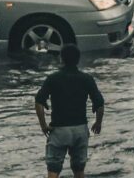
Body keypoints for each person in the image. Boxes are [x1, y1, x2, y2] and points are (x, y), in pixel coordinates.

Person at [34, 44, 104, 178]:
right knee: (79, 170)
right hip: (80, 129)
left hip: (59, 130)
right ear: (78, 59)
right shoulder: (86, 79)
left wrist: (43, 125)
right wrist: (98, 123)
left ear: (61, 59)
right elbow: (100, 103)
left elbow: (39, 101)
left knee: (53, 170)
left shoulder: (53, 78)